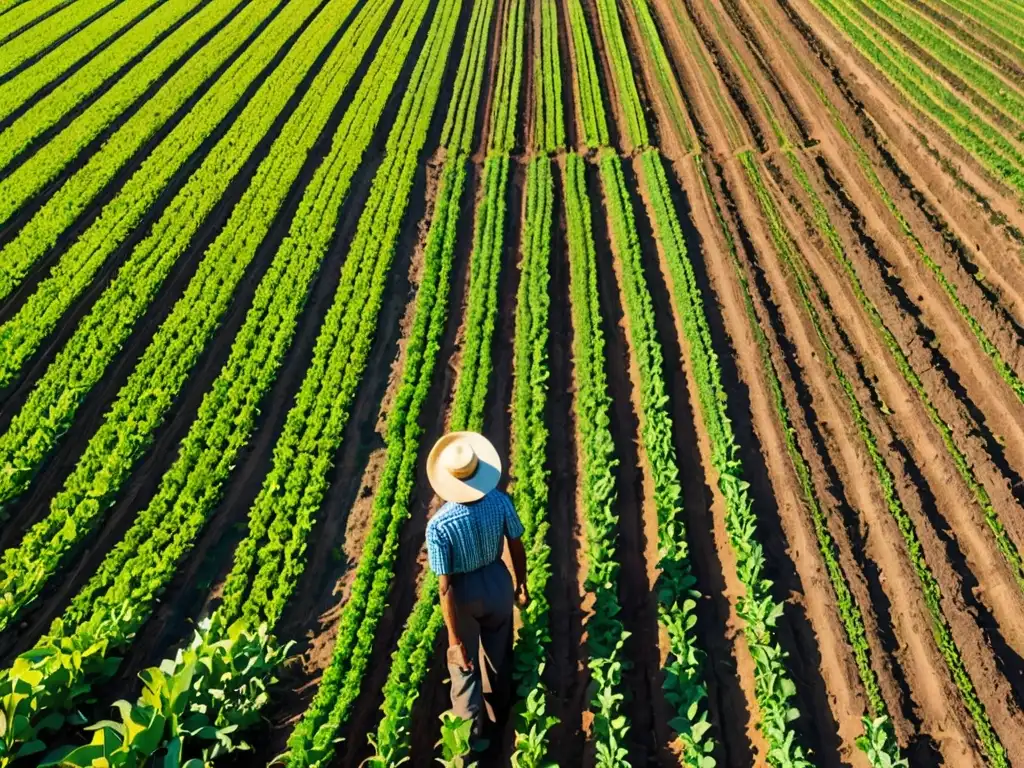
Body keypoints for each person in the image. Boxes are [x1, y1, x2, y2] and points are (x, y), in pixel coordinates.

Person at [425, 431, 529, 749]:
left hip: (463, 594)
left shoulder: (439, 525)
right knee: (499, 656)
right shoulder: (499, 500)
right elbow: (516, 543)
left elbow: (445, 588)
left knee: (464, 668)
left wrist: (455, 640)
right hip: (497, 582)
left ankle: (467, 747)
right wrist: (521, 583)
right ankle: (500, 721)